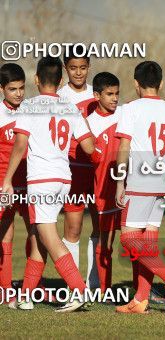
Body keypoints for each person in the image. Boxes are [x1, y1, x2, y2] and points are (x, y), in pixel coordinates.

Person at [3, 57, 100, 312]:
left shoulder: (30, 106)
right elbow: (90, 147)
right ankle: (25, 296)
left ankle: (78, 289)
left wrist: (7, 180)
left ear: (36, 80)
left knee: (48, 235)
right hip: (63, 180)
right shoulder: (70, 107)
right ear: (60, 80)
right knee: (38, 236)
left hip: (41, 180)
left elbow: (20, 145)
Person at [114, 61, 165, 315]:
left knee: (128, 238)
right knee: (147, 243)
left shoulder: (130, 108)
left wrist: (118, 182)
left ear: (136, 84)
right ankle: (141, 299)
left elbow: (124, 147)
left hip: (140, 181)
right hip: (162, 183)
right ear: (162, 84)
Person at [58, 46, 99, 289]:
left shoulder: (98, 94)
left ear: (88, 68)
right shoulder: (60, 97)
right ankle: (73, 286)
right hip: (72, 169)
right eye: (73, 68)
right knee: (73, 228)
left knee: (99, 227)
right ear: (66, 69)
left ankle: (93, 283)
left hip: (97, 169)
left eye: (83, 68)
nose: (78, 72)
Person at [86, 72, 123, 295]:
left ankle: (142, 289)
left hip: (130, 187)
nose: (114, 98)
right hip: (105, 191)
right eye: (109, 94)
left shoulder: (125, 115)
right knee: (106, 243)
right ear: (97, 95)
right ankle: (104, 290)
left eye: (117, 93)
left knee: (134, 241)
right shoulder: (90, 123)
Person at [0, 63, 31, 307]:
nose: (19, 93)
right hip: (5, 183)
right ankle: (6, 289)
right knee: (5, 232)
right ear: (2, 89)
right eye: (12, 89)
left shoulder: (31, 110)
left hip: (30, 181)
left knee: (37, 232)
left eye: (21, 88)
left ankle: (34, 287)